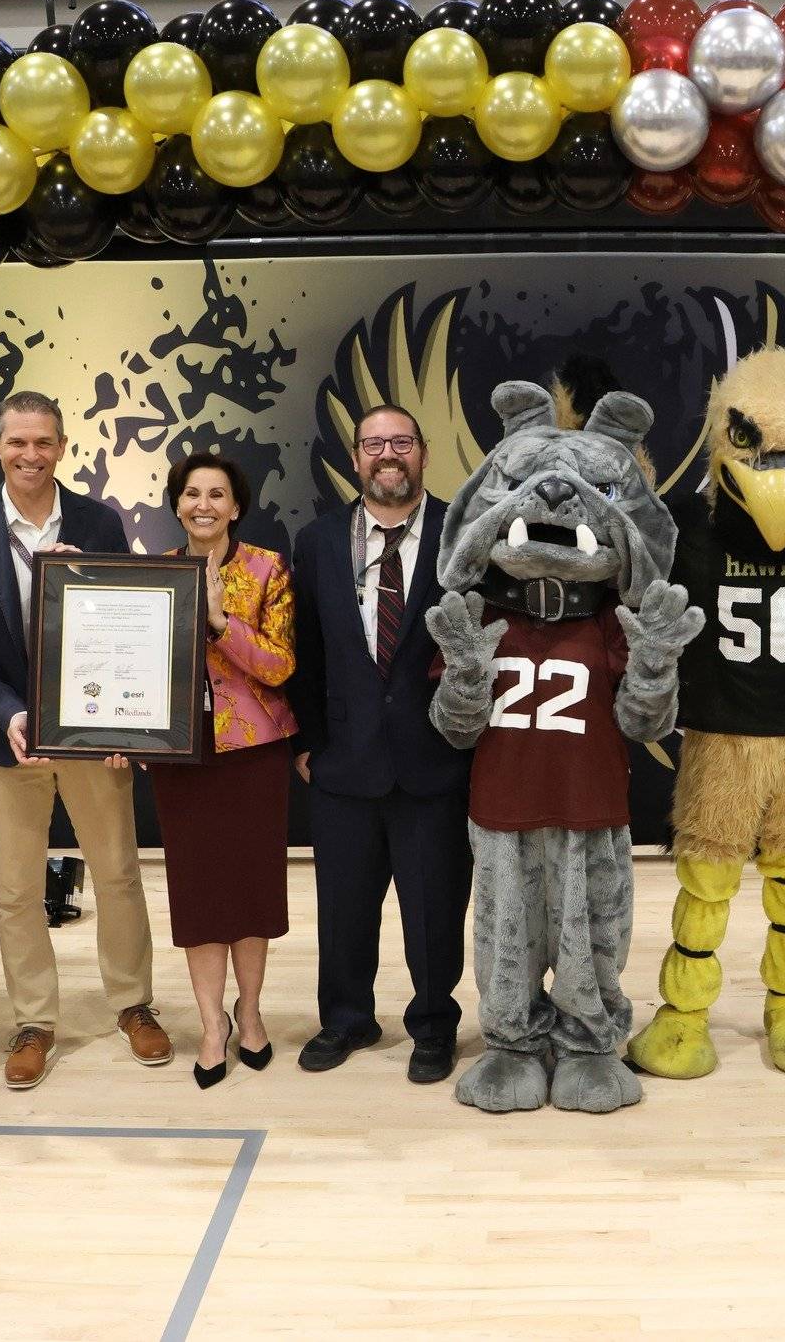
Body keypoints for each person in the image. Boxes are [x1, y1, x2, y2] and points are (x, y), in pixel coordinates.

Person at [0, 390, 171, 1089]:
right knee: (15, 888)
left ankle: (132, 1003)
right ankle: (35, 1020)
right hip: (5, 739)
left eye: (44, 442)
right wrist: (8, 710)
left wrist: (87, 579)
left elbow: (127, 622)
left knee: (119, 871)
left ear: (63, 447)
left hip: (90, 735)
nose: (30, 455)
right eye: (17, 443)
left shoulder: (98, 520)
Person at [288, 405, 471, 1084]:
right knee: (343, 909)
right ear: (356, 456)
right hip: (344, 761)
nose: (387, 455)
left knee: (434, 907)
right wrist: (308, 741)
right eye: (374, 444)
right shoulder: (317, 541)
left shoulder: (463, 532)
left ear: (423, 453)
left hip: (434, 760)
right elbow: (304, 649)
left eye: (401, 442)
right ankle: (345, 1017)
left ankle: (432, 1023)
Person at [150, 452, 298, 1089]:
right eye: (191, 494)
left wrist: (217, 621)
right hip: (182, 756)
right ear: (177, 505)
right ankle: (213, 1024)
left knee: (251, 891)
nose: (203, 505)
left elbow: (278, 665)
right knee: (201, 893)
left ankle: (252, 1010)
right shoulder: (153, 576)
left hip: (255, 752)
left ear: (236, 506)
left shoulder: (267, 569)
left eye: (216, 494)